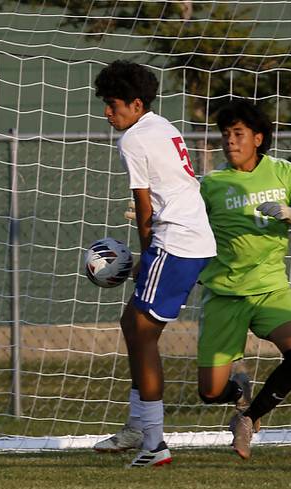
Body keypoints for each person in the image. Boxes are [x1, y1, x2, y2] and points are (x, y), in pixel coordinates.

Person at [91, 61, 216, 467]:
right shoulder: (164, 126)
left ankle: (154, 442)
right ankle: (138, 425)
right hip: (192, 238)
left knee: (142, 335)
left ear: (136, 103)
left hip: (175, 242)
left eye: (112, 105)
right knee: (134, 325)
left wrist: (146, 255)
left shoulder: (131, 140)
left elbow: (145, 203)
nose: (107, 114)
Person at [196, 99, 291, 460]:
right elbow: (187, 225)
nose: (230, 142)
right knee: (209, 392)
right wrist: (157, 219)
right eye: (225, 135)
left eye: (238, 134)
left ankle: (248, 416)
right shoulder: (210, 184)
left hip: (271, 288)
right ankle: (236, 388)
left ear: (258, 138)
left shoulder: (282, 171)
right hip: (225, 293)